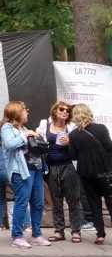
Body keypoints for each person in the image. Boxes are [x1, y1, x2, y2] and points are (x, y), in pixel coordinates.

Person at [0, 101, 49, 249]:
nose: (27, 112)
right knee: (22, 201)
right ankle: (17, 236)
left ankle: (36, 234)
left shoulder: (24, 128)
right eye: (25, 110)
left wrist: (39, 138)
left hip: (36, 169)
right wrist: (25, 135)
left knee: (38, 202)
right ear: (16, 112)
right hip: (21, 171)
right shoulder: (7, 128)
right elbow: (9, 144)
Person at [38, 101, 82, 243]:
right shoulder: (45, 125)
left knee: (73, 200)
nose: (65, 112)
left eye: (67, 110)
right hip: (51, 167)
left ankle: (76, 231)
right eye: (61, 109)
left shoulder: (71, 128)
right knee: (56, 201)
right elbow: (39, 142)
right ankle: (59, 231)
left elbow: (78, 150)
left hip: (67, 166)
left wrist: (70, 142)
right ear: (55, 111)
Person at [68, 104, 112, 245]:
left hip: (86, 173)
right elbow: (109, 147)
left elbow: (73, 156)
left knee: (94, 204)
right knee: (110, 202)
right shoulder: (101, 128)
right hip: (105, 172)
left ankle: (100, 234)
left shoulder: (73, 135)